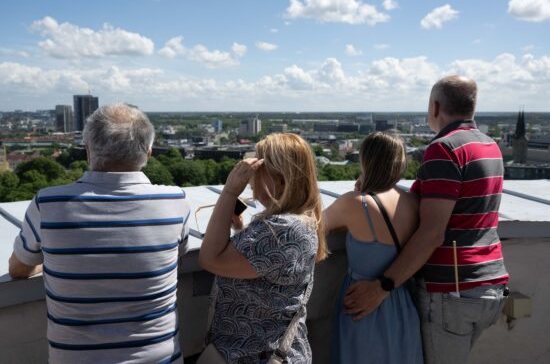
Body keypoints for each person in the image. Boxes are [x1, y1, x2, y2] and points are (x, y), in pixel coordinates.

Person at [343, 76, 509, 364]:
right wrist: (375, 185)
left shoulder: (444, 149)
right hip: (490, 285)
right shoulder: (489, 146)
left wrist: (383, 286)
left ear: (435, 107)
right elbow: (440, 201)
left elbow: (433, 233)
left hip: (452, 289)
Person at [8, 103, 190, 364]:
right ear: (148, 153)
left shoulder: (49, 204)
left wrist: (51, 260)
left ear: (88, 150)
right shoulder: (175, 201)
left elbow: (18, 270)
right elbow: (176, 255)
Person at [198, 133, 327, 363]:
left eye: (259, 170)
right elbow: (263, 269)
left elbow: (209, 259)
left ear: (281, 181)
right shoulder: (300, 220)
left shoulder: (281, 230)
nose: (251, 178)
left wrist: (229, 192)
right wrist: (241, 233)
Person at [324, 132, 423, 364]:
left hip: (362, 308)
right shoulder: (413, 202)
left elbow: (313, 223)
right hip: (403, 306)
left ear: (365, 161)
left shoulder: (357, 204)